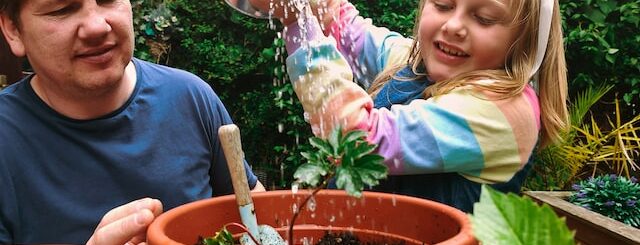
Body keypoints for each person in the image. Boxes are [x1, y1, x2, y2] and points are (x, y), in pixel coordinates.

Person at [251, 0, 568, 212]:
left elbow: (359, 143)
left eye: (484, 18)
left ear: (524, 40)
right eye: (443, 4)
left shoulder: (505, 111)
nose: (454, 26)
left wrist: (298, 22)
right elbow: (350, 32)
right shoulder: (414, 62)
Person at [0, 0, 265, 243]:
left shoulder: (190, 97)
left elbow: (256, 214)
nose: (96, 26)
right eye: (62, 9)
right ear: (13, 29)